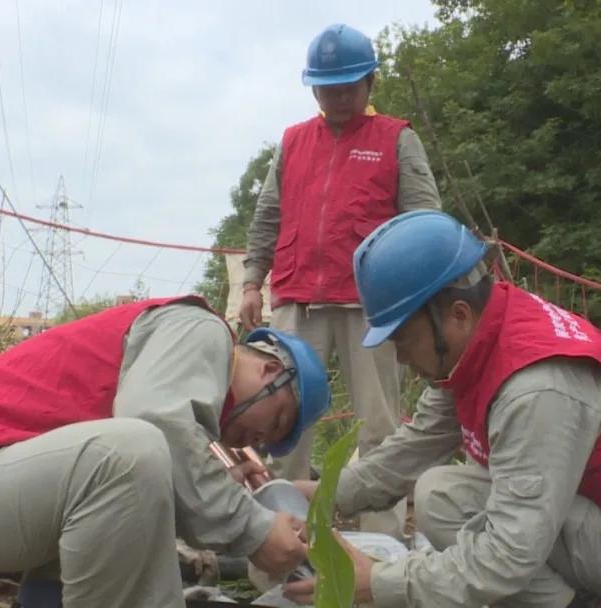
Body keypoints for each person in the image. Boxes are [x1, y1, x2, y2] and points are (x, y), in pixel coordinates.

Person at [285, 210, 601, 608]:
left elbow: (508, 553)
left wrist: (379, 584)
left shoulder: (536, 388)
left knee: (448, 502)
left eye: (403, 339)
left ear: (456, 316)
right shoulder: (483, 335)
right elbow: (417, 443)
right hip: (585, 509)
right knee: (443, 494)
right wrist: (330, 495)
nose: (401, 358)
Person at [0, 295, 331, 608]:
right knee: (135, 450)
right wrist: (253, 528)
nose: (256, 442)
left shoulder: (173, 361)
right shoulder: (202, 329)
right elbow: (154, 425)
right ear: (271, 370)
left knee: (137, 476)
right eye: (274, 423)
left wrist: (216, 492)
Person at [240, 23, 442, 538]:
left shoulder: (397, 138)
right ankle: (277, 540)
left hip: (372, 307)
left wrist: (422, 298)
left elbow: (424, 220)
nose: (336, 97)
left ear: (370, 82)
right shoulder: (292, 142)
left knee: (379, 426)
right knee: (280, 421)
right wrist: (250, 283)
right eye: (327, 88)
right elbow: (267, 216)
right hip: (295, 301)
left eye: (347, 86)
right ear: (313, 88)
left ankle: (381, 545)